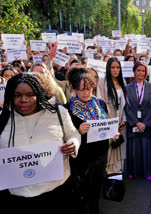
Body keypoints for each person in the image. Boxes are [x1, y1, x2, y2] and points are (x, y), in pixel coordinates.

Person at [0, 73, 80, 214]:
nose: (24, 100)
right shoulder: (3, 120)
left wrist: (73, 143)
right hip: (17, 196)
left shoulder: (58, 113)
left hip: (55, 193)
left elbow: (73, 134)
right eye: (17, 95)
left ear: (39, 93)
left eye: (30, 94)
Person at [66, 66, 113, 214]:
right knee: (82, 194)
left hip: (100, 157)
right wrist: (78, 132)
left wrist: (112, 133)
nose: (86, 93)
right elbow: (64, 137)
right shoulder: (67, 108)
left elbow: (106, 126)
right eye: (81, 89)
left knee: (96, 192)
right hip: (81, 160)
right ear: (74, 88)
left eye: (89, 88)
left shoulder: (100, 104)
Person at [125, 61, 151, 180]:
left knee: (146, 147)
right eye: (138, 70)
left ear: (146, 72)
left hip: (146, 123)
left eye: (143, 70)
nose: (140, 73)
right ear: (134, 71)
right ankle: (132, 171)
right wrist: (135, 122)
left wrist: (145, 123)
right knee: (133, 148)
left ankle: (147, 171)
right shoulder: (127, 88)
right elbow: (126, 107)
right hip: (133, 122)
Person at [98, 57, 127, 174]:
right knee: (109, 145)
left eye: (118, 67)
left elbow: (126, 103)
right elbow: (100, 103)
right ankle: (108, 172)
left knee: (119, 144)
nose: (115, 70)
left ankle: (118, 171)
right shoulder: (102, 81)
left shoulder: (122, 81)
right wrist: (109, 122)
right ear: (108, 68)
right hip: (108, 119)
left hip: (121, 120)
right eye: (113, 67)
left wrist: (124, 120)